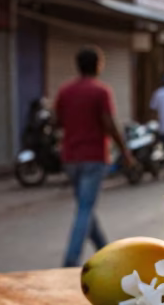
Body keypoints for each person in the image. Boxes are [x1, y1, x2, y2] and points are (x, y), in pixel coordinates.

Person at [54, 47, 135, 268]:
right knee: (85, 208)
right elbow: (109, 123)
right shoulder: (101, 91)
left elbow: (57, 120)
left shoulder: (65, 91)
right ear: (98, 65)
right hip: (94, 157)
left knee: (85, 206)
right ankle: (71, 260)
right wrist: (124, 151)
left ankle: (106, 252)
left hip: (70, 157)